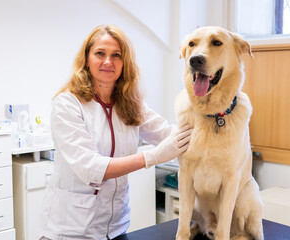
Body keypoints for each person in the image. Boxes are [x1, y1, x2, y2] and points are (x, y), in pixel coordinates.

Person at [38, 25, 191, 240]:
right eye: (100, 53)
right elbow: (90, 167)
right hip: (70, 230)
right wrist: (153, 157)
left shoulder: (130, 103)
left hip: (116, 226)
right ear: (87, 58)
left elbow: (168, 133)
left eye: (116, 55)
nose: (108, 61)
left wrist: (212, 126)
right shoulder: (68, 103)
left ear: (124, 63)